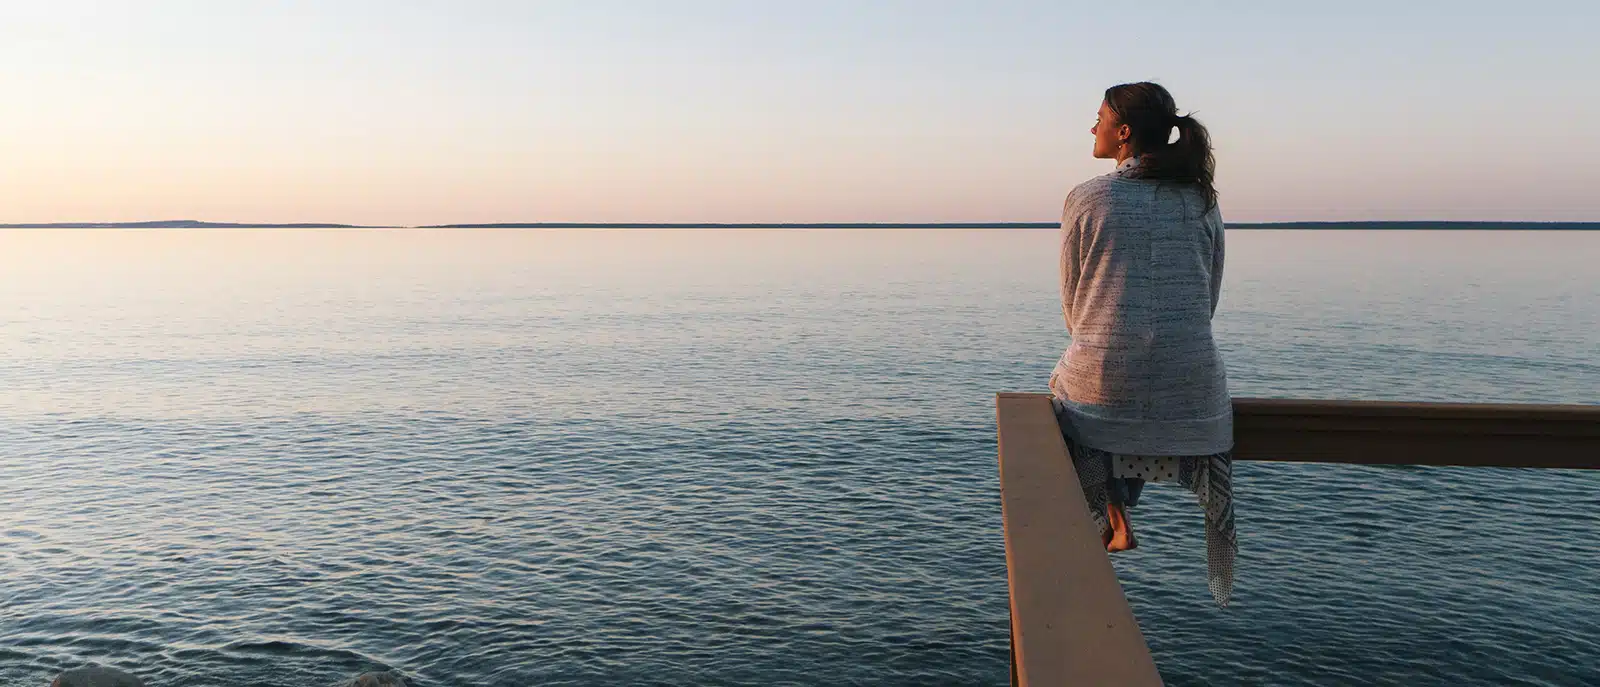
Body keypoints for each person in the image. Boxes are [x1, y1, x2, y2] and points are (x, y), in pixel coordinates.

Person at [1049, 81, 1237, 606]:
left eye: (1100, 118)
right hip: (1195, 392)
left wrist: (1107, 338)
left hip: (1104, 387)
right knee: (1126, 394)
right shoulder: (1201, 201)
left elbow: (1073, 305)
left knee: (1077, 393)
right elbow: (1208, 297)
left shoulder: (1088, 197)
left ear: (1124, 133)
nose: (1092, 127)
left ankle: (1112, 516)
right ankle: (1119, 514)